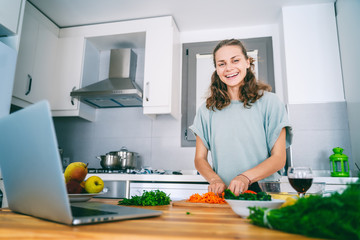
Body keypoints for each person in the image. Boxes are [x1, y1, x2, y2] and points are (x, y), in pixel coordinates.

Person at [189, 39, 292, 196]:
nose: (229, 68)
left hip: (265, 193)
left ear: (247, 62)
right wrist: (214, 180)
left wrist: (245, 177)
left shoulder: (270, 103)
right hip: (226, 193)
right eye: (221, 64)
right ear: (216, 69)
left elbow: (279, 158)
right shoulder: (206, 110)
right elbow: (199, 159)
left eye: (235, 60)